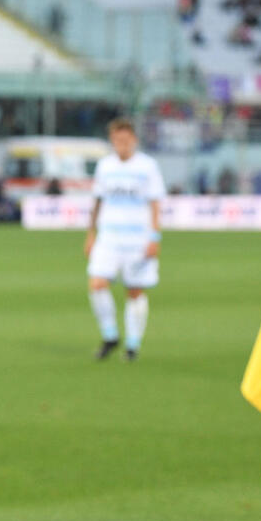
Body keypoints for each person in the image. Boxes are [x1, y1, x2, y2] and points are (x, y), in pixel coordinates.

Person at [84, 118, 165, 361]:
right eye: (117, 140)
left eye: (126, 140)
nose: (122, 144)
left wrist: (154, 237)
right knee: (96, 284)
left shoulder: (147, 166)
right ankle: (110, 335)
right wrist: (90, 234)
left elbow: (155, 204)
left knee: (135, 291)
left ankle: (132, 344)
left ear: (134, 140)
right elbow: (97, 201)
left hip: (137, 240)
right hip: (108, 237)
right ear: (112, 141)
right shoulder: (105, 166)